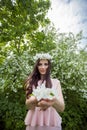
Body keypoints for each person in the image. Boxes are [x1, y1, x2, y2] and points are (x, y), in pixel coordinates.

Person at [24, 53, 65, 130]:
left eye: (46, 64)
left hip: (52, 122)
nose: (43, 67)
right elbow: (28, 106)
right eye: (40, 64)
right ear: (36, 66)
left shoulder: (56, 82)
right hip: (34, 122)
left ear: (49, 66)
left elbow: (61, 108)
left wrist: (53, 100)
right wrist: (36, 98)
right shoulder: (30, 82)